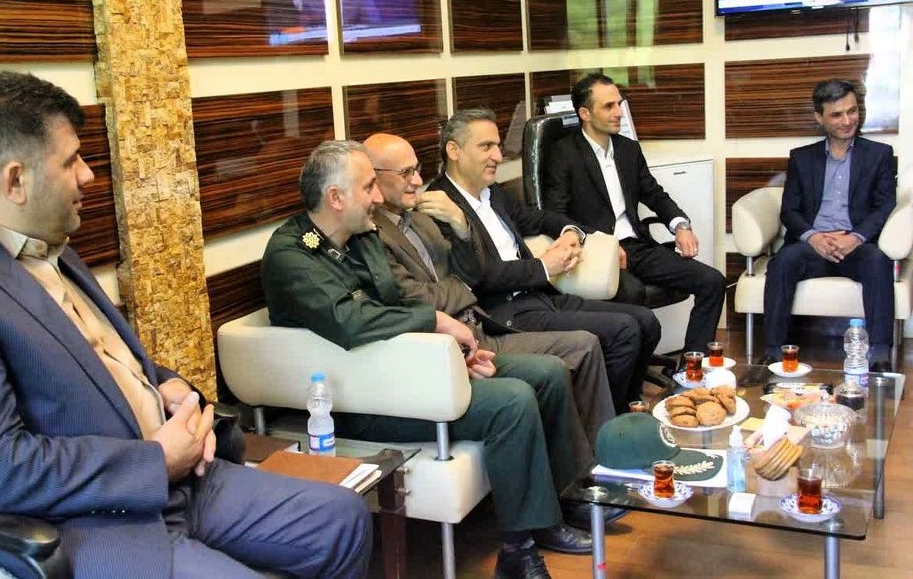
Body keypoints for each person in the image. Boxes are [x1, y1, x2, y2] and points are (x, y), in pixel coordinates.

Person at [0, 71, 372, 578]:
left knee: (342, 518)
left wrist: (166, 387)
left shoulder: (50, 248)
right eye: (71, 161)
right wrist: (155, 459)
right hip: (95, 521)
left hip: (181, 482)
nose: (88, 175)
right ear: (15, 180)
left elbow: (94, 363)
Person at [262, 140, 593, 579]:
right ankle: (518, 551)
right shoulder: (292, 255)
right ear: (336, 197)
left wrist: (452, 354)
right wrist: (436, 323)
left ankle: (555, 508)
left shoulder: (361, 236)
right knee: (511, 402)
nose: (377, 197)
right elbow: (352, 320)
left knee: (547, 373)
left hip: (411, 371)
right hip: (360, 399)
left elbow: (397, 302)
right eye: (368, 187)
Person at [364, 132, 621, 529]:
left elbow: (472, 273)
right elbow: (418, 298)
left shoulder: (425, 215)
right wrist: (463, 287)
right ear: (373, 177)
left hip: (479, 325)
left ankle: (595, 474)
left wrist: (461, 226)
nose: (417, 181)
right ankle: (571, 496)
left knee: (586, 345)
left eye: (417, 170)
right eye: (405, 173)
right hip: (451, 345)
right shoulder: (372, 234)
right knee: (557, 366)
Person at [429, 108, 660, 414]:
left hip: (539, 297)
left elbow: (537, 218)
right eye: (486, 147)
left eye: (498, 146)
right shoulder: (441, 206)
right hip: (501, 312)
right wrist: (543, 267)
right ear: (454, 150)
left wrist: (572, 232)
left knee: (646, 322)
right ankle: (608, 426)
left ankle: (627, 410)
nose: (498, 156)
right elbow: (474, 275)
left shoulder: (491, 193)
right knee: (624, 330)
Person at [543, 73, 727, 354]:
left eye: (619, 104)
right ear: (585, 113)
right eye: (608, 106)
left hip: (637, 246)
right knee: (633, 293)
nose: (619, 112)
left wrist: (680, 225)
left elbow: (654, 194)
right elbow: (555, 215)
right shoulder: (563, 153)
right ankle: (631, 373)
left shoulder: (628, 149)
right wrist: (601, 245)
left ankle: (692, 366)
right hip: (596, 253)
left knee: (712, 281)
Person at [763, 78, 896, 367]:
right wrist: (813, 237)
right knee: (782, 262)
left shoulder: (880, 155)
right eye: (837, 114)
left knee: (878, 260)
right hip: (814, 245)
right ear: (819, 117)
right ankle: (772, 354)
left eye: (852, 111)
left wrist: (855, 238)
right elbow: (789, 211)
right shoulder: (802, 158)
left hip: (855, 245)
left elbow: (884, 206)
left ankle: (880, 355)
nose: (848, 121)